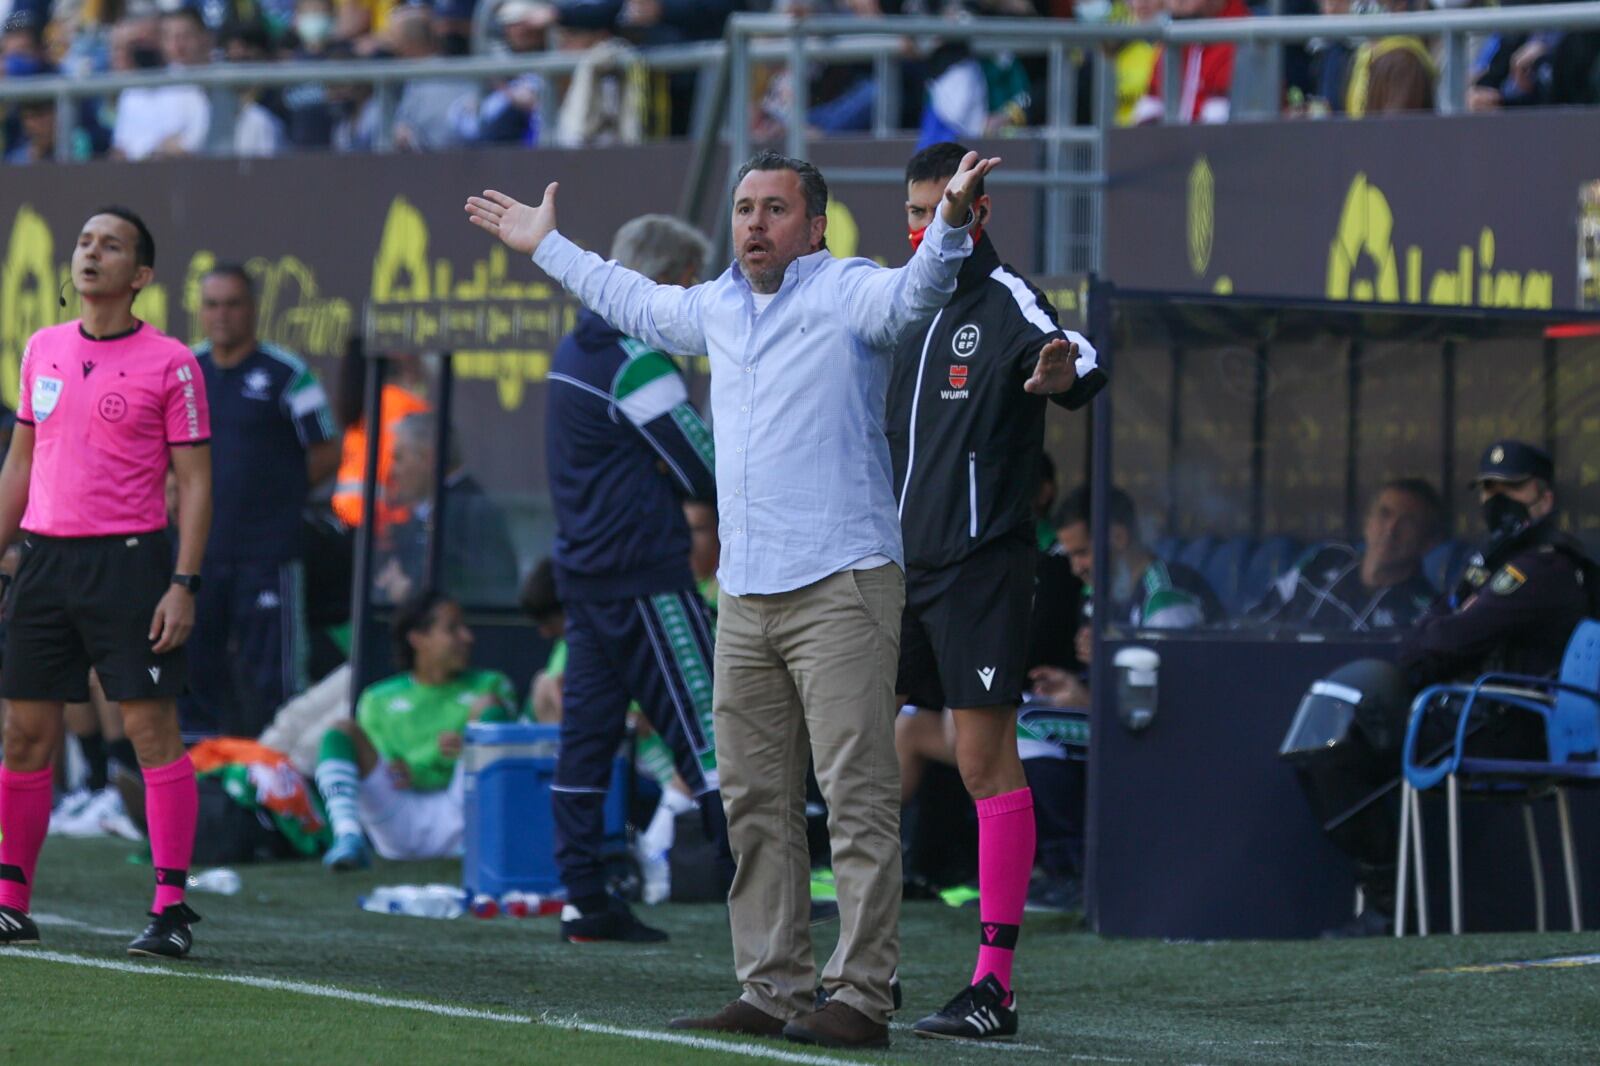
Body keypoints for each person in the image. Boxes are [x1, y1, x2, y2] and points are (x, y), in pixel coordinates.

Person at [466, 146, 996, 1049]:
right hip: (745, 595)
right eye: (746, 208)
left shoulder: (849, 290)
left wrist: (947, 228)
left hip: (843, 582)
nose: (754, 223)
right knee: (753, 799)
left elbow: (915, 299)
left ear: (816, 226)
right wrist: (547, 246)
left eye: (775, 208)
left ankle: (862, 994)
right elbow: (633, 300)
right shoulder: (716, 304)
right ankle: (775, 984)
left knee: (856, 797)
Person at [884, 141, 1103, 1042]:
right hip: (887, 568)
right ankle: (864, 965)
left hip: (979, 565)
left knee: (982, 763)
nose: (930, 220)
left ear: (980, 212)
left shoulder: (1004, 296)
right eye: (917, 207)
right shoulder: (894, 305)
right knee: (858, 748)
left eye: (950, 203)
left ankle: (993, 987)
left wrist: (1062, 373)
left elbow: (1080, 354)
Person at [0, 206, 213, 958]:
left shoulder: (172, 362)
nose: (91, 254)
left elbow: (195, 484)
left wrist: (182, 582)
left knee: (151, 730)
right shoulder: (42, 348)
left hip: (129, 562)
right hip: (45, 562)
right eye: (85, 242)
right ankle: (10, 901)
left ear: (140, 276)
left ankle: (170, 906)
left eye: (111, 246)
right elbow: (20, 465)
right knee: (25, 733)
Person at [1285, 441, 1598, 937]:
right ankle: (1389, 904)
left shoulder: (1543, 569)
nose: (1498, 498)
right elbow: (1429, 633)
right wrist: (1442, 631)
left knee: (1347, 744)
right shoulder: (1492, 562)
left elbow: (1447, 638)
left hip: (1510, 725)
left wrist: (1442, 633)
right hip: (1474, 715)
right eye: (1489, 488)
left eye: (1512, 487)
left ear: (1543, 498)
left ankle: (1391, 912)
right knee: (1329, 742)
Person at [538, 213, 729, 943]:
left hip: (586, 579)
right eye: (692, 282)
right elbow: (702, 469)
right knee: (714, 730)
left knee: (585, 742)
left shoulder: (572, 351)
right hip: (645, 578)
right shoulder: (636, 360)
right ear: (668, 280)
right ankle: (762, 894)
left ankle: (584, 899)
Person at [188, 263, 340, 739]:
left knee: (274, 676)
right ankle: (202, 788)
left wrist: (279, 496)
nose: (222, 315)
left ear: (252, 309)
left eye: (233, 304)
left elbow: (328, 448)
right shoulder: (185, 372)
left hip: (268, 554)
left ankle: (277, 784)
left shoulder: (287, 374)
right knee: (193, 672)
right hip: (198, 555)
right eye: (212, 305)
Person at [314, 592, 518, 870]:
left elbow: (513, 749)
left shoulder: (491, 685)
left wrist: (470, 743)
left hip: (467, 814)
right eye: (452, 629)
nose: (467, 637)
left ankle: (490, 842)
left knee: (489, 712)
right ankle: (348, 837)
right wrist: (433, 759)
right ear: (418, 639)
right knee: (341, 731)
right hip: (399, 818)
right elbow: (393, 771)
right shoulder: (378, 698)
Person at [1248, 479, 1442, 631]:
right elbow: (1259, 618)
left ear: (1427, 543)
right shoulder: (1323, 560)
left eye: (1408, 522)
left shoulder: (1425, 611)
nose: (1391, 529)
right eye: (1384, 514)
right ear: (1367, 522)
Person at [373, 412, 519, 606]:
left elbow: (485, 587)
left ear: (429, 458)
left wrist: (410, 591)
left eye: (399, 458)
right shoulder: (429, 513)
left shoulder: (471, 512)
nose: (392, 472)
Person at [110, 6, 212, 161]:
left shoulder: (189, 84)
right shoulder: (132, 92)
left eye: (186, 36)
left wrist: (162, 150)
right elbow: (120, 149)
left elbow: (195, 143)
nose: (143, 49)